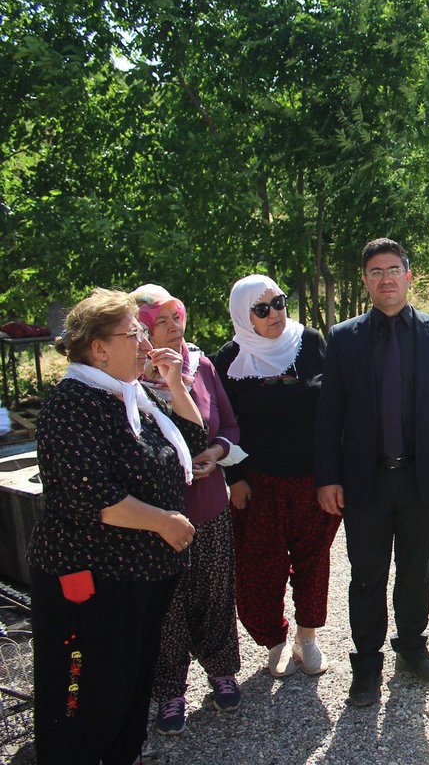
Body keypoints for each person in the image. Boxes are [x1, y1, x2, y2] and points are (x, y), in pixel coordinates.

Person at [28, 288, 206, 764]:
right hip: (93, 579)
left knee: (128, 684)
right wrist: (164, 523)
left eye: (144, 332)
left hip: (139, 577)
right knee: (86, 694)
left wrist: (175, 382)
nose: (145, 343)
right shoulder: (74, 402)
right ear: (99, 347)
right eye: (135, 334)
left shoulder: (135, 395)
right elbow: (90, 495)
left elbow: (192, 438)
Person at [314, 238, 429, 708]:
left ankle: (411, 646)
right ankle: (366, 665)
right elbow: (329, 415)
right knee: (366, 576)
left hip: (422, 479)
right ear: (366, 281)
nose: (386, 278)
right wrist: (328, 477)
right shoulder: (343, 339)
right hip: (364, 481)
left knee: (416, 571)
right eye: (376, 271)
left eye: (394, 269)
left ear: (408, 275)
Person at [212, 276, 339, 679]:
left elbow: (335, 410)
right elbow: (222, 423)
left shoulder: (312, 342)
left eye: (280, 303)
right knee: (258, 568)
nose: (275, 314)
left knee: (313, 562)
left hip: (311, 480)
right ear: (242, 315)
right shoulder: (229, 359)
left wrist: (332, 475)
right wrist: (234, 477)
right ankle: (275, 641)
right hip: (257, 483)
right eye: (262, 309)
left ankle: (308, 638)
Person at [131, 286, 242, 735]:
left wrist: (215, 452)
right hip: (157, 515)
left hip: (209, 503)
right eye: (161, 321)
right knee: (167, 606)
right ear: (141, 330)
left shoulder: (201, 365)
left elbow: (229, 425)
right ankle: (169, 692)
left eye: (177, 316)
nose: (174, 327)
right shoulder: (128, 379)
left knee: (216, 592)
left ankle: (222, 671)